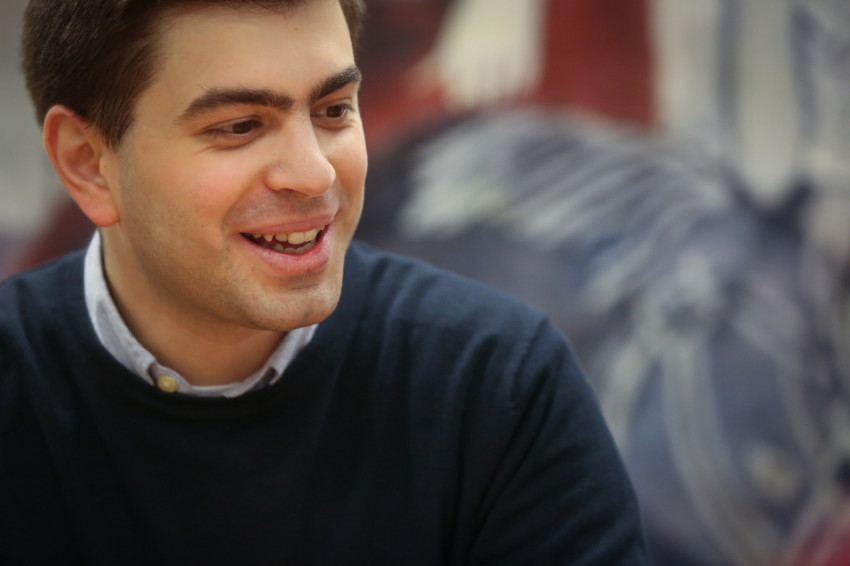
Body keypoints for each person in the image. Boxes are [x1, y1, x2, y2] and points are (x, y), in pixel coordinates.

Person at [0, 0, 649, 563]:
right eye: (240, 126)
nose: (315, 174)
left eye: (334, 110)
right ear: (88, 164)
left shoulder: (498, 385)